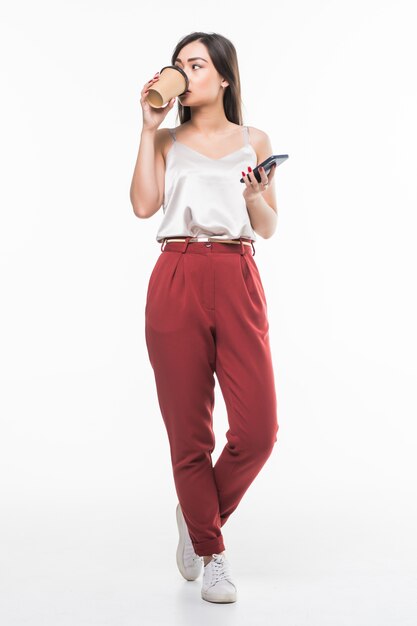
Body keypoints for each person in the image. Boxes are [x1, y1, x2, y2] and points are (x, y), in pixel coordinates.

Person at [130, 31, 280, 604]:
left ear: (223, 77)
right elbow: (144, 206)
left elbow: (266, 227)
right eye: (178, 65)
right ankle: (212, 552)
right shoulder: (166, 139)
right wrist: (147, 131)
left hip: (239, 275)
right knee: (189, 435)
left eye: (196, 65)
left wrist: (253, 198)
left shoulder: (256, 139)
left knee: (258, 432)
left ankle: (196, 519)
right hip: (177, 272)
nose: (184, 74)